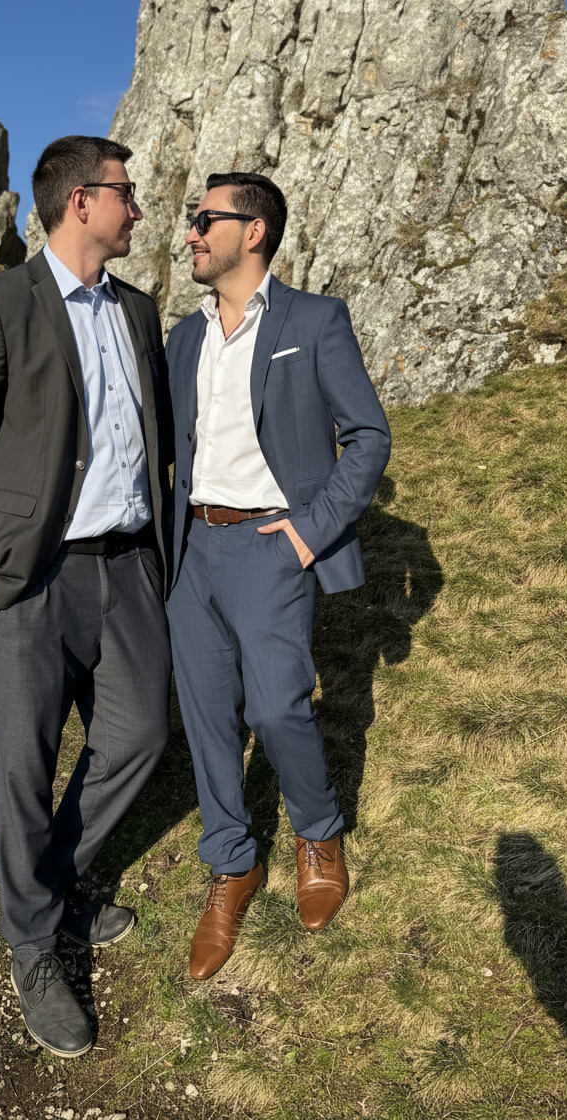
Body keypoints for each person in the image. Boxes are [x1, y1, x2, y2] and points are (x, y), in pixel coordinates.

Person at [0, 136, 172, 1056]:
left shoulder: (139, 312)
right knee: (22, 769)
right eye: (126, 194)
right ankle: (33, 943)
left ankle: (56, 888)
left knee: (141, 735)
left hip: (130, 566)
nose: (137, 208)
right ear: (80, 202)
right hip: (32, 579)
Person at [165, 171, 391, 979]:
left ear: (251, 231)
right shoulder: (183, 337)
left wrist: (307, 535)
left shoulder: (315, 320)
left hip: (271, 544)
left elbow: (368, 437)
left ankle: (318, 831)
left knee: (277, 705)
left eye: (204, 219)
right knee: (208, 717)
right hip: (192, 550)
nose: (190, 233)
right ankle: (233, 864)